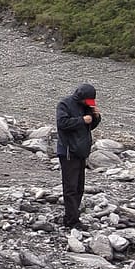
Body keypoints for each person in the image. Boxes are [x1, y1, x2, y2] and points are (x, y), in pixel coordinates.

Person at [56, 83, 101, 231]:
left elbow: (88, 127)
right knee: (70, 188)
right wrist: (82, 120)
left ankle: (72, 217)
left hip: (81, 151)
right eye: (87, 101)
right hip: (68, 152)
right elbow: (62, 124)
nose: (88, 104)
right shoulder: (64, 104)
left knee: (79, 187)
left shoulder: (86, 107)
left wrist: (96, 117)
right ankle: (72, 220)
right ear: (80, 97)